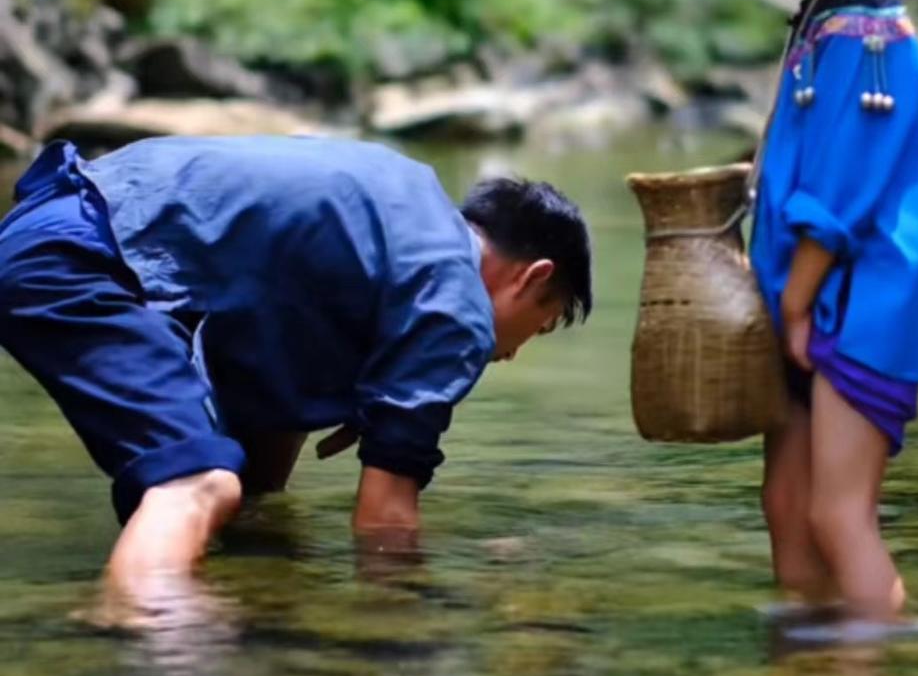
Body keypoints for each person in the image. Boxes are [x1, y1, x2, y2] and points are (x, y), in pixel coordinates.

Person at [0, 135, 592, 600]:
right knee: (196, 484)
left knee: (243, 489)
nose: (511, 352)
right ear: (532, 276)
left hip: (46, 225)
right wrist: (408, 621)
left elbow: (263, 424)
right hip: (82, 261)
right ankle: (149, 662)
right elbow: (384, 522)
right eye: (538, 326)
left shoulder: (397, 205)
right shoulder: (456, 303)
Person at [740, 0, 918, 620]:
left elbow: (843, 192)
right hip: (808, 303)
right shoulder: (831, 19)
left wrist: (792, 302)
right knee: (788, 511)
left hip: (850, 305)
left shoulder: (869, 36)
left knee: (836, 511)